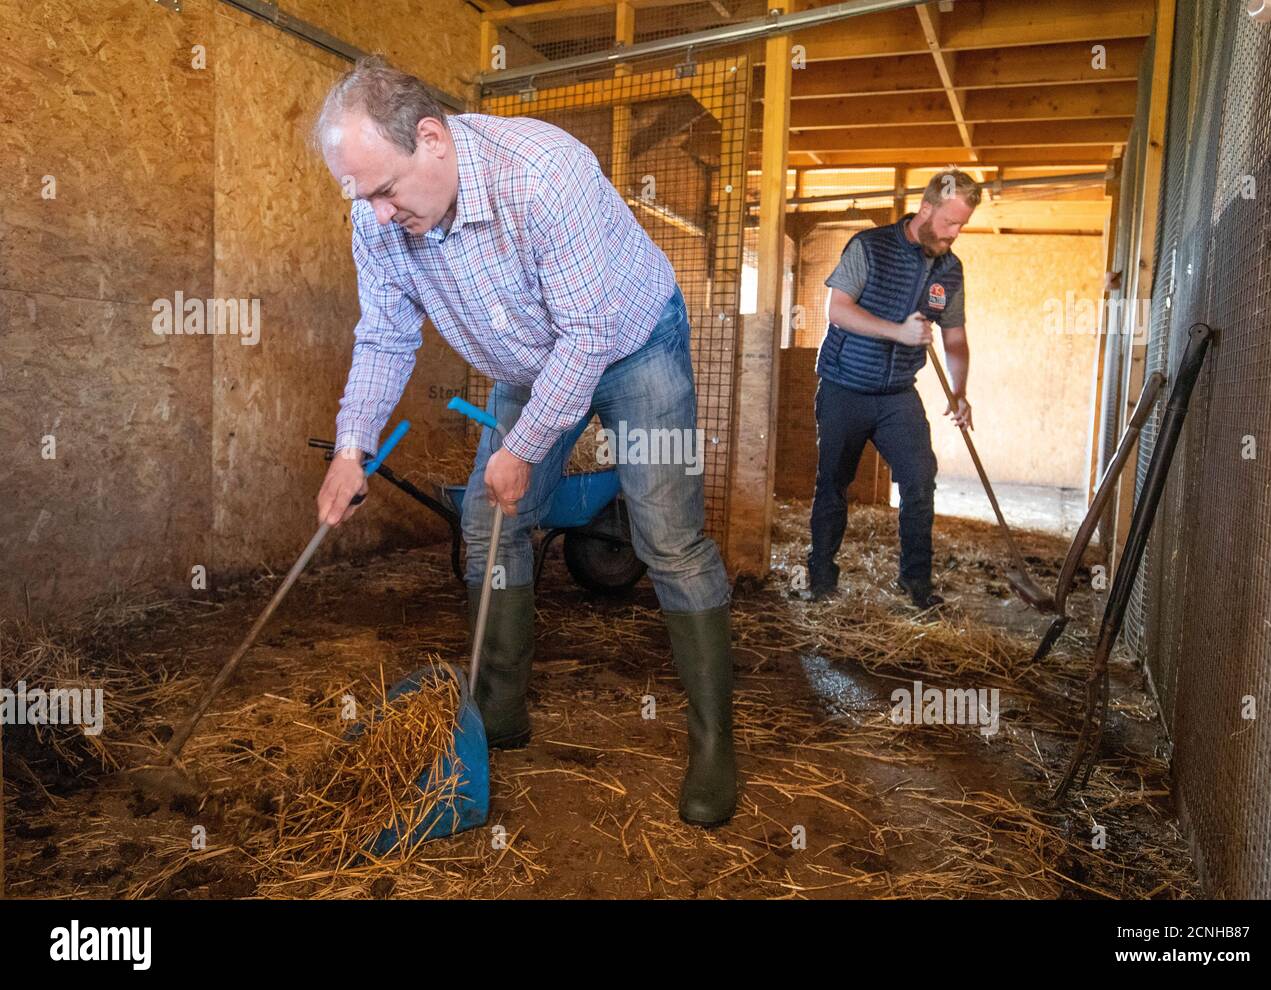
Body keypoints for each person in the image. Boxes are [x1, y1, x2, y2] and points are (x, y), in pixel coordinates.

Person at [311, 56, 737, 828]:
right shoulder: (378, 219)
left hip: (633, 341)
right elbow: (383, 337)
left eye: (383, 190)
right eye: (358, 195)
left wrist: (525, 445)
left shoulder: (544, 174)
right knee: (490, 523)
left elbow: (587, 336)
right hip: (528, 357)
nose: (374, 215)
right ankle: (495, 715)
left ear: (433, 140)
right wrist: (352, 448)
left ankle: (715, 746)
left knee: (668, 537)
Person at [807, 169, 981, 608]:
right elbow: (838, 310)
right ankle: (821, 579)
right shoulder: (870, 247)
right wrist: (896, 332)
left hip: (898, 394)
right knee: (833, 483)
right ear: (926, 209)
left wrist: (958, 393)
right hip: (845, 386)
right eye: (949, 223)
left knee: (921, 478)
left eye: (962, 225)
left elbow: (955, 338)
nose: (955, 233)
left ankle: (916, 584)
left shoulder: (950, 270)